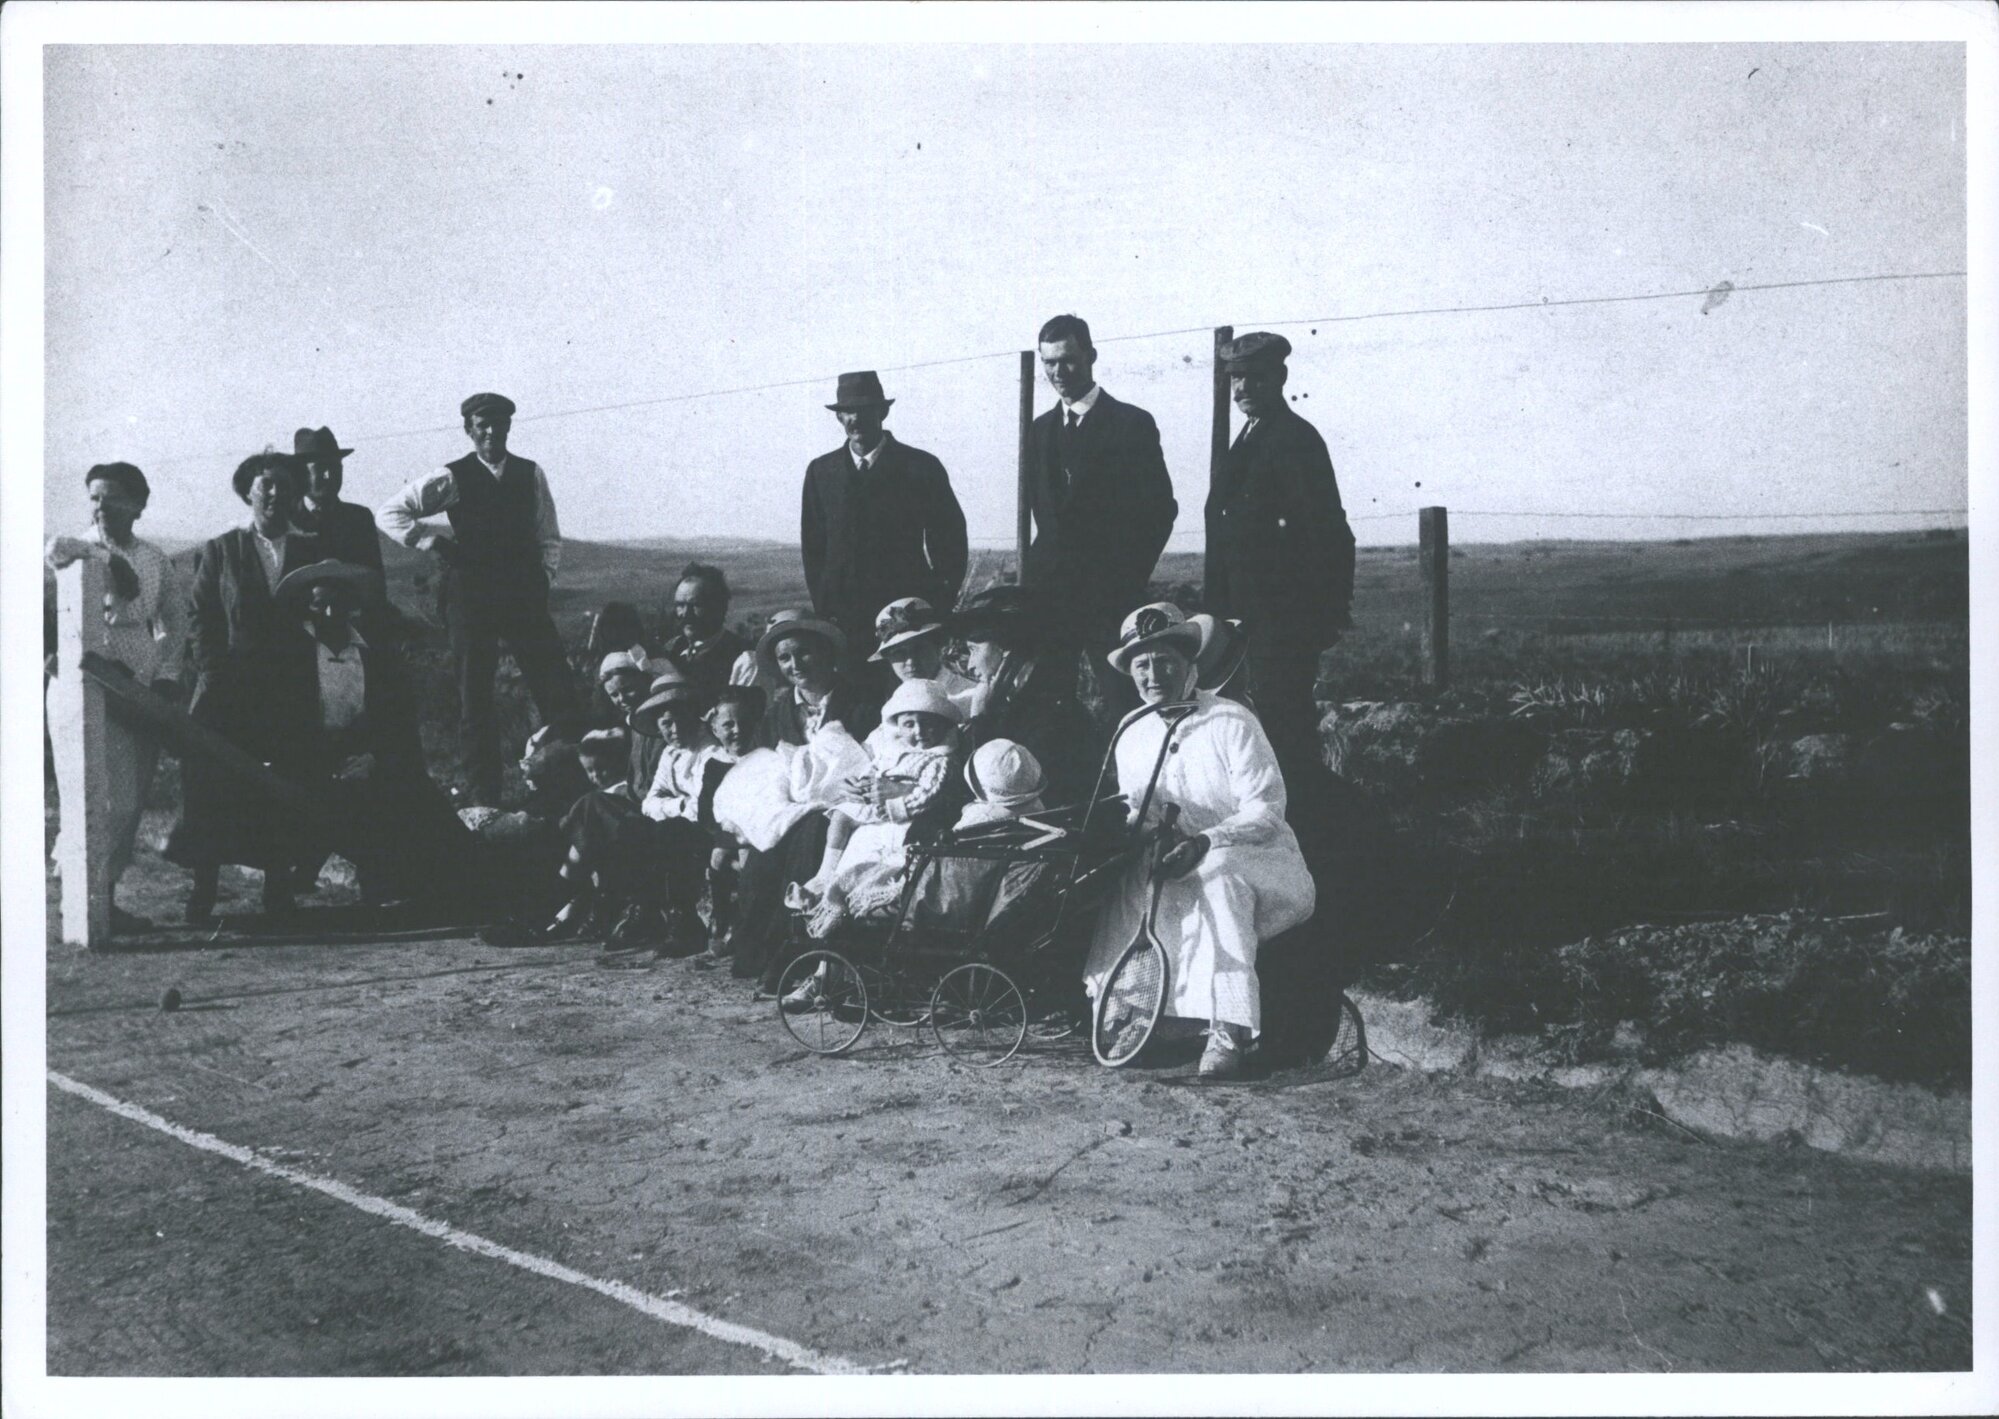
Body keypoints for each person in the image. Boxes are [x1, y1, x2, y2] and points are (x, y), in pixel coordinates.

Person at [1081, 602, 1316, 1080]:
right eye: (1142, 665)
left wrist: (1208, 840)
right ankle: (1139, 1014)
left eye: (1165, 661)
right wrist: (1130, 832)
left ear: (1190, 664)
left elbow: (1265, 809)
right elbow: (1139, 809)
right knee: (1130, 879)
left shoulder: (1231, 721)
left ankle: (1227, 1030)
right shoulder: (1132, 731)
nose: (1153, 675)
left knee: (1215, 878)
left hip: (1254, 855)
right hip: (1173, 853)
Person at [375, 392, 576, 806]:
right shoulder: (453, 476)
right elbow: (391, 512)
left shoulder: (529, 473)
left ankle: (569, 784)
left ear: (508, 428)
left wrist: (544, 576)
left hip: (522, 593)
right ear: (469, 430)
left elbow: (548, 534)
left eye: (498, 423)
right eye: (481, 424)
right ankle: (484, 797)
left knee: (555, 687)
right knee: (475, 696)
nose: (490, 431)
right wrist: (429, 540)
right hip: (471, 596)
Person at [271, 558, 482, 912]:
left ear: (351, 608)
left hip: (365, 755)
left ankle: (444, 884)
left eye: (336, 603)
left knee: (414, 794)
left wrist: (373, 757)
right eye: (318, 603)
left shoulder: (372, 657)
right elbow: (282, 723)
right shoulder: (293, 656)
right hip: (308, 760)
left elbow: (394, 721)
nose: (328, 612)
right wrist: (321, 760)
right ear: (307, 607)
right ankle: (316, 875)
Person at [166, 452, 322, 922]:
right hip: (227, 691)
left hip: (288, 693)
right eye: (266, 485)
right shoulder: (222, 549)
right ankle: (205, 890)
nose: (275, 494)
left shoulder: (313, 549)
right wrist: (215, 675)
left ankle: (278, 890)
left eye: (284, 485)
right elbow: (201, 617)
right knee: (213, 788)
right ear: (249, 492)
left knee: (281, 785)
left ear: (297, 493)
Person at [1204, 331, 1356, 798]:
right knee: (1252, 733)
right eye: (1236, 379)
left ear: (1281, 377)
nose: (1243, 388)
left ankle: (1310, 839)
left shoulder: (1296, 440)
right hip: (1243, 621)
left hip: (1283, 622)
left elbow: (1330, 534)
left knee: (1285, 735)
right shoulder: (1247, 440)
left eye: (1255, 377)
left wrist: (1321, 618)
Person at [44, 462, 189, 931]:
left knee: (129, 798)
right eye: (94, 497)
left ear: (139, 504)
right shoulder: (77, 549)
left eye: (113, 497)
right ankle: (83, 901)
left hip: (140, 684)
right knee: (92, 795)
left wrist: (165, 674)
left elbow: (176, 621)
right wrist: (108, 561)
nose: (101, 506)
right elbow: (55, 550)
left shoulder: (153, 559)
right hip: (86, 680)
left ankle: (106, 895)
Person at [1021, 314, 1178, 719]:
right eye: (1049, 363)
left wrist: (1124, 578)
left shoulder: (1130, 424)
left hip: (1109, 598)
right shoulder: (1038, 431)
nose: (1058, 372)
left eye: (1068, 360)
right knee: (1048, 702)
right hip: (1050, 596)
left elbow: (1161, 510)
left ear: (1091, 356)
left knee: (1122, 701)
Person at [727, 609, 881, 985]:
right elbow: (755, 769)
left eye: (805, 653)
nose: (795, 664)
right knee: (765, 850)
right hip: (789, 809)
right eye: (785, 658)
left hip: (845, 809)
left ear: (827, 653)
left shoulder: (861, 704)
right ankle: (758, 950)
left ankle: (794, 955)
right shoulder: (778, 712)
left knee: (811, 835)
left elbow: (876, 756)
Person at [800, 371, 969, 661]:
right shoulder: (821, 471)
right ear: (839, 418)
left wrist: (934, 606)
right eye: (848, 411)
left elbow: (950, 541)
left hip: (906, 620)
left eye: (865, 410)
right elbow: (814, 549)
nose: (856, 419)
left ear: (882, 411)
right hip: (845, 622)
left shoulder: (920, 467)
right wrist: (826, 609)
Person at [788, 677, 964, 938]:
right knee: (840, 815)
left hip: (904, 820)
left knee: (867, 862)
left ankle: (840, 899)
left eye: (928, 724)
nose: (919, 732)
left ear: (943, 724)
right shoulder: (894, 751)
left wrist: (896, 804)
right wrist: (859, 785)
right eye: (909, 724)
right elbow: (872, 771)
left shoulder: (940, 759)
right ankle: (825, 875)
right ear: (898, 728)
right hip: (876, 813)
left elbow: (929, 794)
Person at [948, 584, 1104, 811]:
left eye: (974, 650)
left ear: (1007, 648)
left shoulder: (1052, 717)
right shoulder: (1023, 705)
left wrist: (981, 718)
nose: (970, 665)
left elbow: (993, 790)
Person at [290, 427, 385, 596]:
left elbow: (375, 583)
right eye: (320, 469)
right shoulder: (286, 519)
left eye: (335, 467)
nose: (329, 476)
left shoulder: (359, 518)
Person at [657, 562, 760, 703]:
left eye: (696, 605)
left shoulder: (744, 658)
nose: (686, 614)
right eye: (680, 605)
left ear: (719, 607)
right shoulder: (671, 649)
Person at [867, 597, 978, 718]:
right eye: (899, 653)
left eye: (919, 649)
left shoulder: (971, 697)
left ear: (937, 646)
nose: (910, 661)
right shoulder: (896, 703)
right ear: (888, 658)